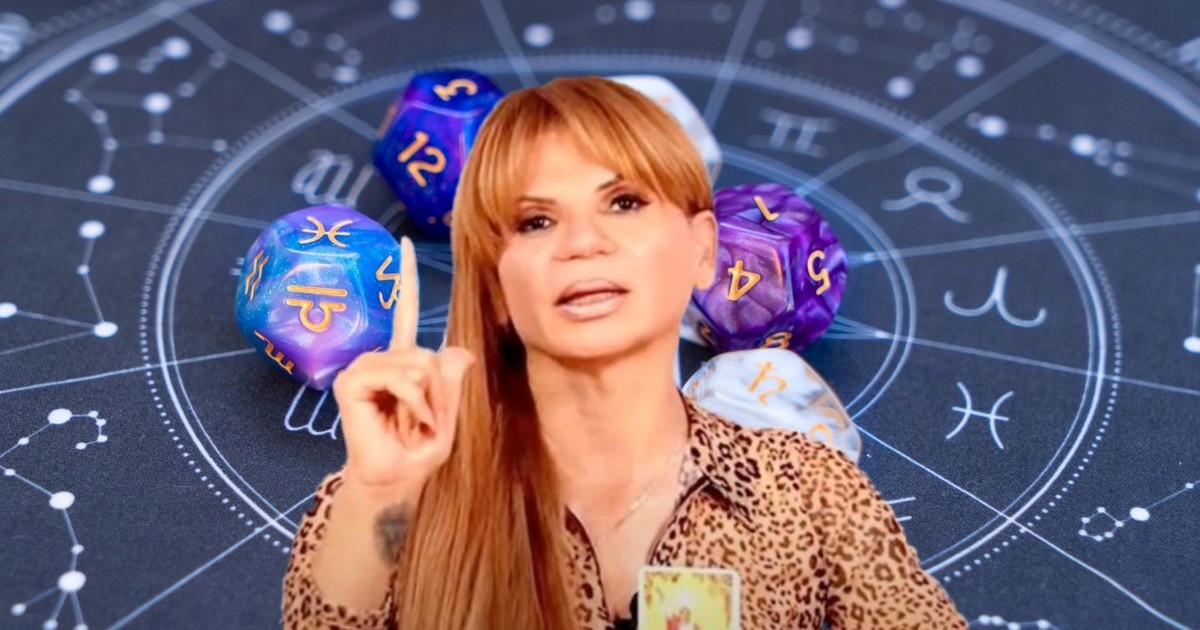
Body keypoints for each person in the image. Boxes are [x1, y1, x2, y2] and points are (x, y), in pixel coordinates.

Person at [281, 75, 967, 629]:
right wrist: (382, 494)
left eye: (624, 203)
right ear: (494, 279)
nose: (583, 242)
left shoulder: (807, 488)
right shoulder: (395, 490)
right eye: (536, 221)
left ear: (703, 249)